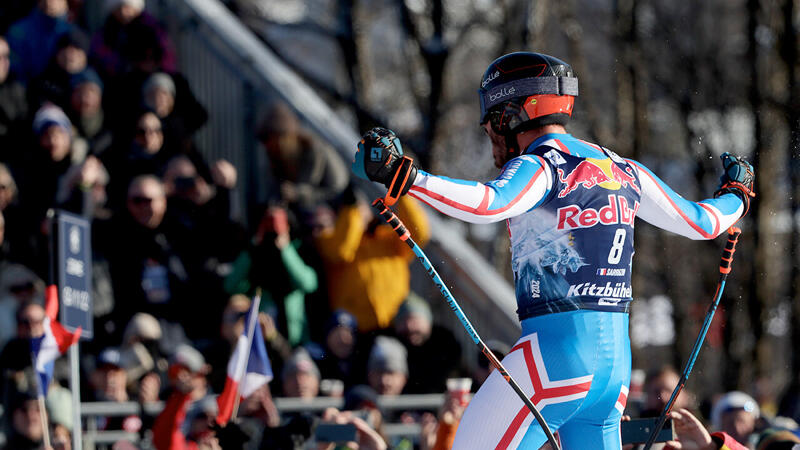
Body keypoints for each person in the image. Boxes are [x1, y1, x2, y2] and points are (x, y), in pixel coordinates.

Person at [352, 51, 755, 449]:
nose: (491, 134)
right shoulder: (624, 169)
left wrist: (407, 176)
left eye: (493, 121)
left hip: (553, 355)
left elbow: (490, 203)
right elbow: (703, 223)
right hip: (613, 367)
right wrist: (737, 193)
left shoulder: (542, 165)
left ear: (515, 114)